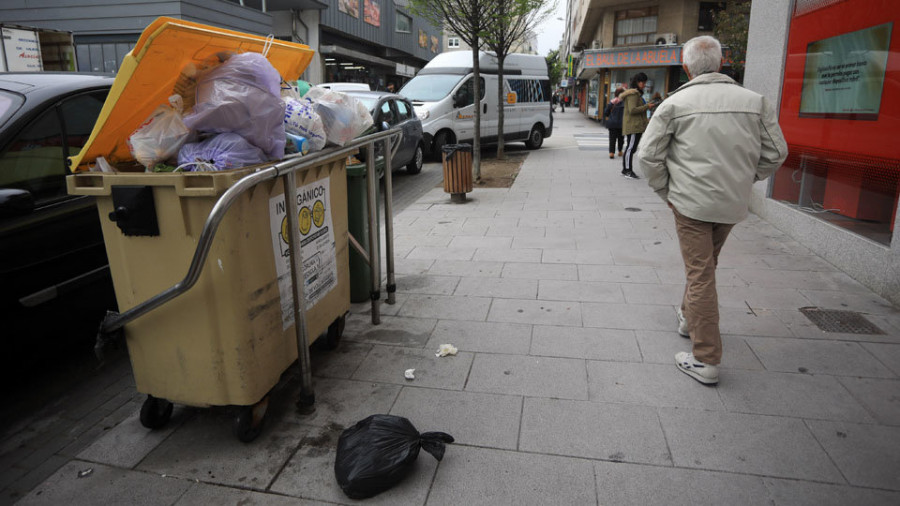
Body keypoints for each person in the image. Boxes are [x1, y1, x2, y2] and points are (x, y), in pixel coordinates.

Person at [637, 36, 788, 385]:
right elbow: (776, 153)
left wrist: (666, 190)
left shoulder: (675, 103)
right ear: (721, 64)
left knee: (700, 272)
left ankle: (705, 358)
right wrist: (746, 179)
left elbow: (647, 156)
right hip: (729, 204)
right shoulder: (755, 102)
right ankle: (690, 317)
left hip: (689, 203)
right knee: (704, 266)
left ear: (686, 67)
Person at [620, 72, 656, 179]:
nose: (644, 84)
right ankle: (627, 170)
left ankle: (625, 169)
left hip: (636, 125)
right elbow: (632, 110)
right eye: (643, 82)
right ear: (637, 82)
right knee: (631, 148)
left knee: (632, 148)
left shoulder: (637, 94)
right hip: (633, 125)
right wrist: (647, 107)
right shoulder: (633, 94)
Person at [602, 87, 625, 159]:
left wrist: (611, 115)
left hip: (612, 123)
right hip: (622, 124)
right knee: (621, 138)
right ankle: (620, 151)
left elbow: (606, 112)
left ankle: (611, 153)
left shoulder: (612, 102)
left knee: (612, 139)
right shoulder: (625, 103)